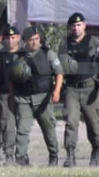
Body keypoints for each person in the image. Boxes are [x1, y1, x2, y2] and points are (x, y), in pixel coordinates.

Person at [58, 12, 99, 167]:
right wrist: (57, 88)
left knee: (93, 124)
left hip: (90, 88)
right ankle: (70, 154)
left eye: (79, 25)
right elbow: (59, 67)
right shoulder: (64, 44)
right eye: (73, 25)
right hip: (72, 89)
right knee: (71, 122)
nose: (76, 28)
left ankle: (95, 150)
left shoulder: (93, 42)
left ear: (84, 25)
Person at [9, 27, 63, 166]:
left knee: (48, 129)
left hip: (43, 99)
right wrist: (12, 97)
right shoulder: (18, 56)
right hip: (23, 98)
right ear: (25, 41)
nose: (34, 43)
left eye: (36, 39)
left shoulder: (48, 54)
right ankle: (20, 158)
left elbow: (59, 73)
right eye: (31, 40)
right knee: (22, 129)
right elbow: (12, 79)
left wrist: (56, 91)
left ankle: (53, 155)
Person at [0, 25, 21, 165]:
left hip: (22, 94)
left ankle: (21, 154)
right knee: (5, 124)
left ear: (18, 38)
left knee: (22, 126)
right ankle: (8, 155)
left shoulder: (24, 54)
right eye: (7, 38)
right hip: (4, 94)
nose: (10, 40)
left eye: (13, 37)